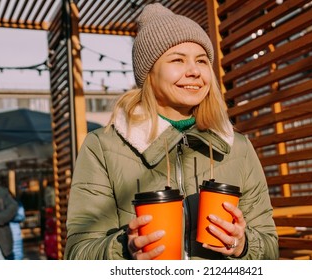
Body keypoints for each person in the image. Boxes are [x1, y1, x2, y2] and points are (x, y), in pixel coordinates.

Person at [64, 3, 278, 260]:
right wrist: (123, 250)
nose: (195, 71)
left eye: (201, 61)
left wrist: (244, 245)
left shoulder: (238, 147)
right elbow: (78, 253)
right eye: (177, 60)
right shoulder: (104, 146)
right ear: (149, 74)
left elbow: (269, 247)